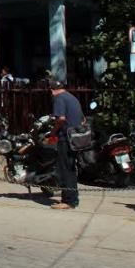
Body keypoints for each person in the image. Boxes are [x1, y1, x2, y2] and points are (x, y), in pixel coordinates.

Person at [49, 80, 83, 210]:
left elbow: (61, 118)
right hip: (75, 139)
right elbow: (83, 119)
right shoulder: (72, 97)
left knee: (65, 170)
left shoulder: (59, 98)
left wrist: (53, 132)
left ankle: (69, 201)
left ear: (52, 90)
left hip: (66, 139)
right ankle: (70, 198)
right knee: (71, 168)